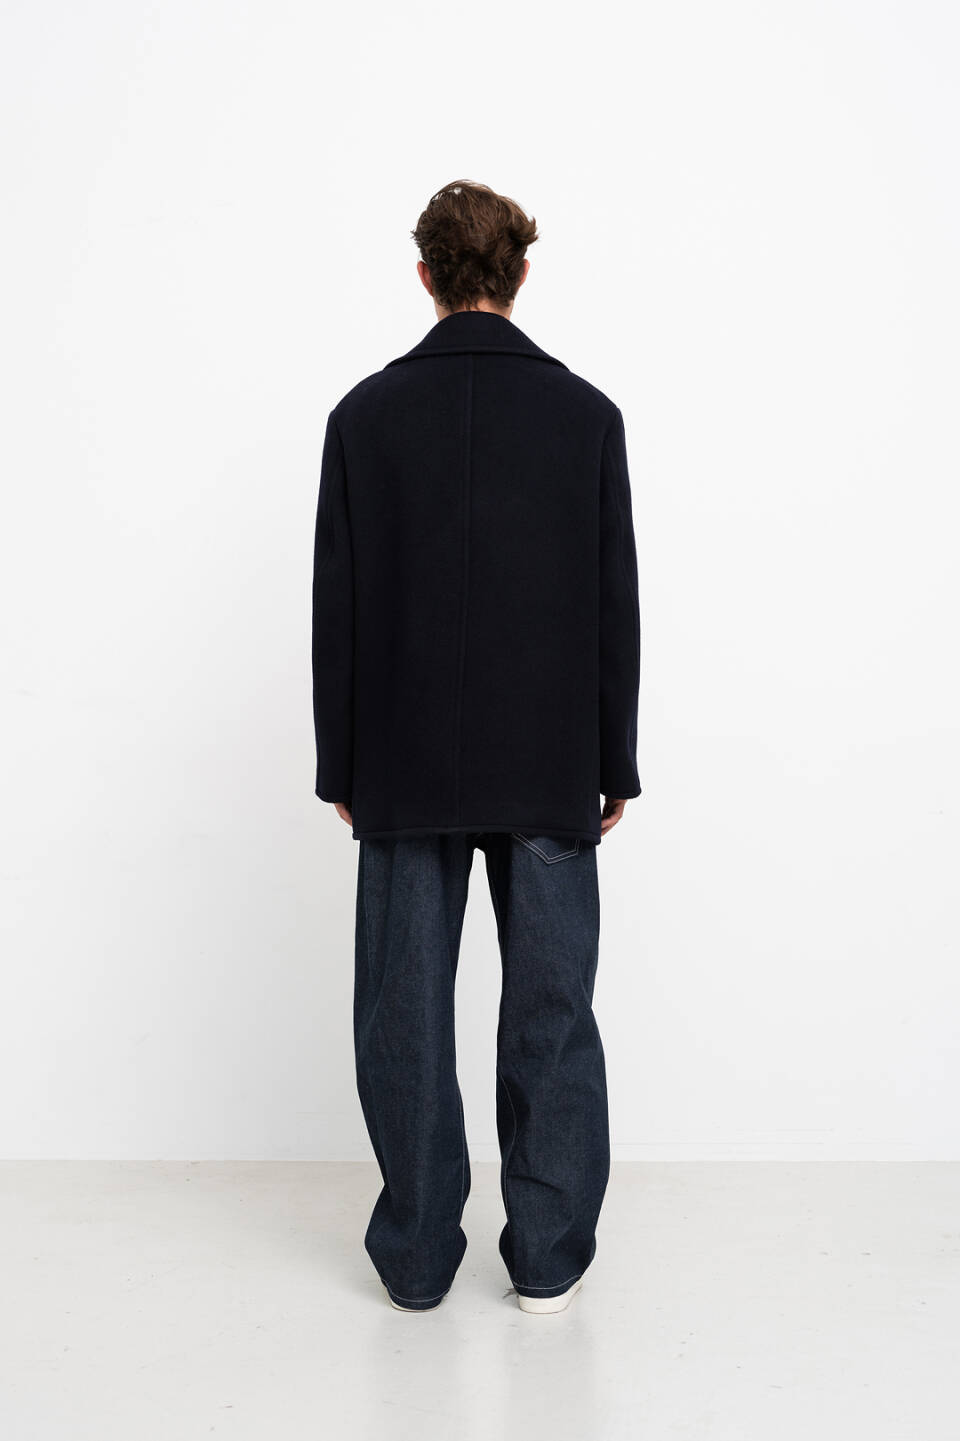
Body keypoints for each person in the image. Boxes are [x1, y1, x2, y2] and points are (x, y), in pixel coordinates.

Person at [311, 180, 641, 1315]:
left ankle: (415, 1257)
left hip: (402, 761)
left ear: (425, 277)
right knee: (553, 1009)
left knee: (402, 1010)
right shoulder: (586, 416)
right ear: (522, 274)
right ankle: (547, 1256)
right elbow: (613, 603)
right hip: (549, 756)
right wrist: (614, 761)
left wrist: (341, 763)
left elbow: (338, 606)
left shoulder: (363, 417)